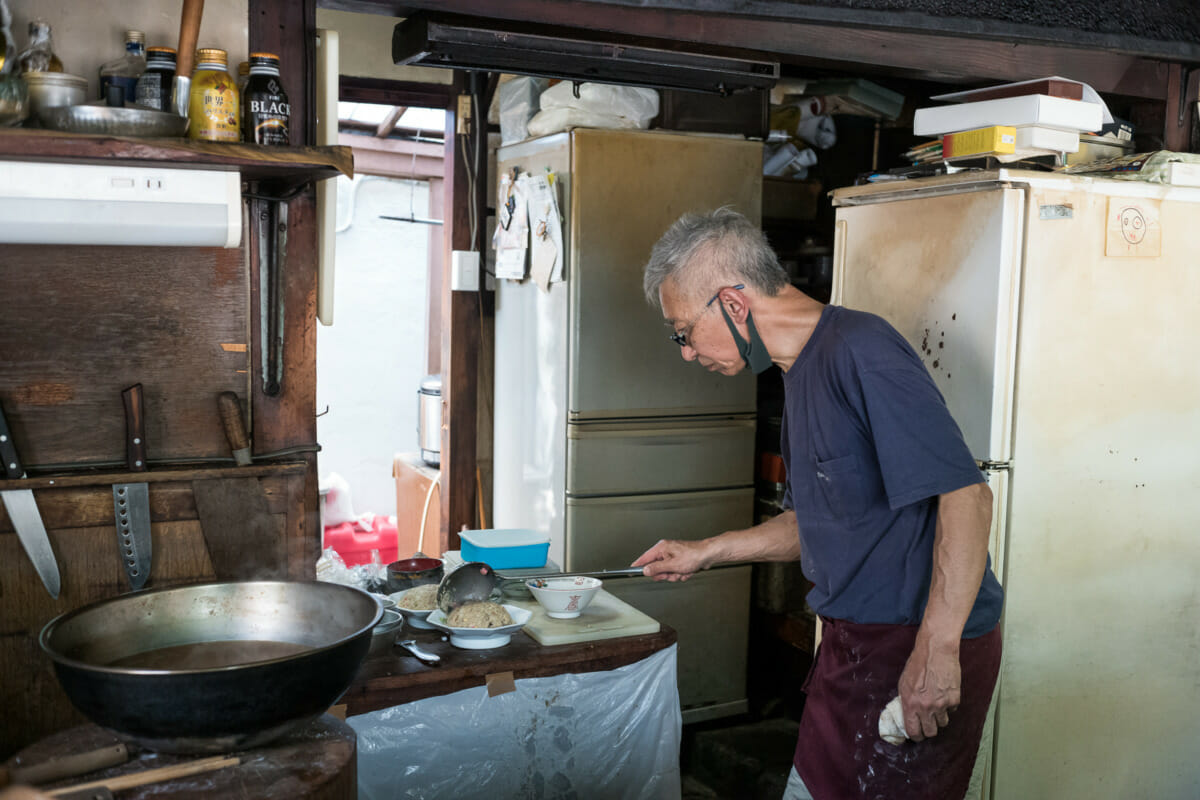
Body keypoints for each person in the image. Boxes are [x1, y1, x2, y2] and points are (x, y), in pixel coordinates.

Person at [632, 208, 1003, 800]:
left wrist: (936, 652)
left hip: (917, 641)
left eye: (682, 331)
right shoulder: (794, 373)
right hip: (851, 646)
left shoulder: (861, 349)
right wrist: (706, 552)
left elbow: (968, 498)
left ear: (732, 304)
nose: (684, 351)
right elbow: (819, 522)